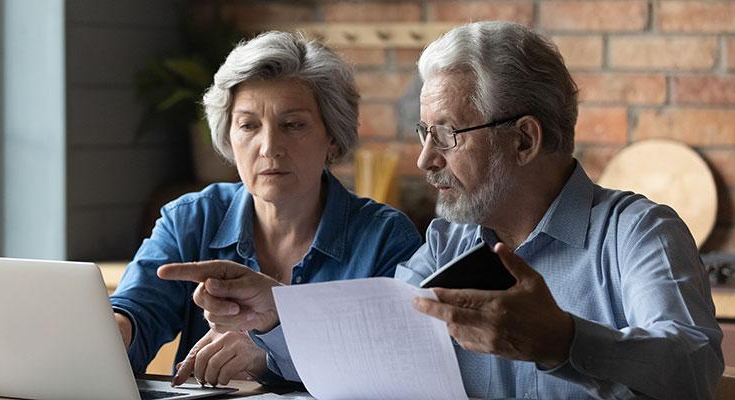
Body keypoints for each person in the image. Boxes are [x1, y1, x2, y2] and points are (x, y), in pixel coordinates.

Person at [160, 21, 724, 399]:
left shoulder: (636, 232)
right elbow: (371, 348)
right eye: (424, 132)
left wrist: (562, 342)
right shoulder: (447, 243)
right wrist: (280, 313)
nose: (426, 158)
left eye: (448, 135)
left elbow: (695, 369)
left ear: (523, 140)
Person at [110, 31, 422, 388]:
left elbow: (397, 367)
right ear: (228, 137)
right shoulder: (191, 219)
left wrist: (272, 353)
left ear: (333, 138)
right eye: (248, 125)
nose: (270, 147)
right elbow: (138, 310)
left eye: (293, 125)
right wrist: (116, 331)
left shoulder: (385, 239)